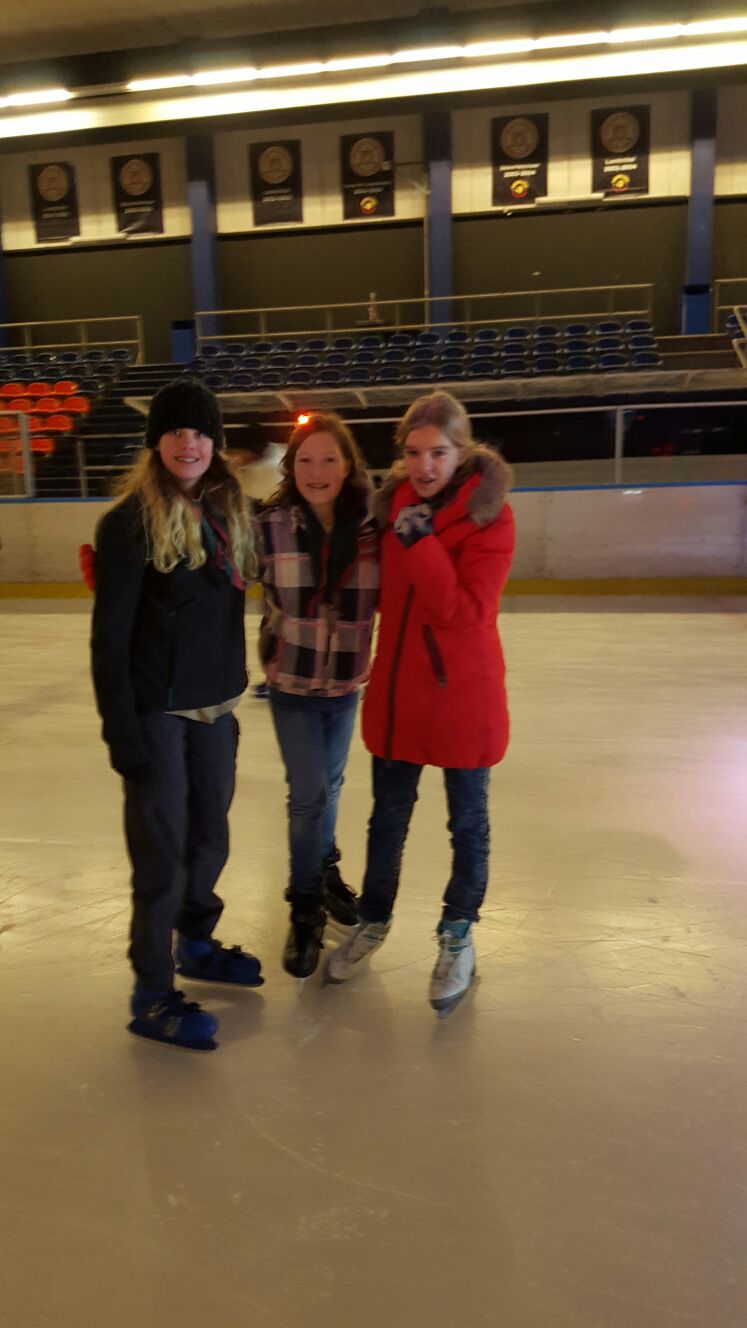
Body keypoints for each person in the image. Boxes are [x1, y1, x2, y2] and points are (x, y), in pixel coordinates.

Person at [324, 390, 515, 1015]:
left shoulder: (490, 517)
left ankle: (458, 935)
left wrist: (420, 539)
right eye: (412, 453)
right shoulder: (393, 508)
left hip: (463, 697)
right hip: (400, 693)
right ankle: (373, 921)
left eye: (437, 452)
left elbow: (465, 611)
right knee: (387, 820)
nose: (423, 466)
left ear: (462, 451)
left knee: (468, 824)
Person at [90, 378, 263, 1052]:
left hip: (216, 709)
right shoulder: (128, 523)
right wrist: (122, 734)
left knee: (209, 840)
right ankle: (152, 993)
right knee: (161, 858)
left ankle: (195, 941)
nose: (187, 443)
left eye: (199, 432)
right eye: (174, 431)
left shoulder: (229, 513)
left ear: (215, 442)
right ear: (155, 442)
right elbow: (109, 640)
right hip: (156, 716)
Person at [255, 412, 379, 979]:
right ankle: (304, 906)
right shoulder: (270, 525)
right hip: (292, 682)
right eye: (305, 460)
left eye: (329, 458)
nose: (317, 470)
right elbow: (217, 575)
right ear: (291, 468)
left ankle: (324, 869)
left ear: (347, 465)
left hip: (345, 683)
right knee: (308, 795)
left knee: (329, 785)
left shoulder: (372, 528)